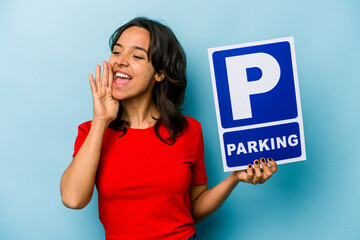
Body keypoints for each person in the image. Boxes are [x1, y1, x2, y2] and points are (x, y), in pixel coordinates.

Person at [60, 17, 277, 240]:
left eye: (136, 56)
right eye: (116, 52)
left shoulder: (189, 130)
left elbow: (192, 210)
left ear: (159, 73)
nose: (120, 62)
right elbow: (73, 199)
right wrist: (101, 120)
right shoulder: (92, 131)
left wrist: (234, 178)